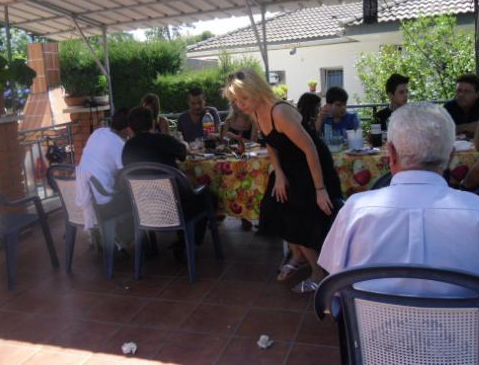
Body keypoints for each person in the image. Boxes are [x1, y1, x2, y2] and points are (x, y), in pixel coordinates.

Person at [318, 102, 479, 312]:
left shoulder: (354, 211)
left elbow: (332, 296)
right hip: (464, 344)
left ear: (391, 154)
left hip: (372, 343)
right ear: (451, 155)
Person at [224, 68, 342, 293]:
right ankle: (298, 256)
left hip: (312, 165)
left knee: (299, 218)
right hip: (289, 166)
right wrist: (278, 174)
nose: (240, 105)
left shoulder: (279, 112)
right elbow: (271, 143)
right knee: (274, 207)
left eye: (243, 98)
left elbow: (310, 149)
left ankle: (318, 274)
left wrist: (320, 189)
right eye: (235, 100)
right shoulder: (256, 110)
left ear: (256, 90)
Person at [121, 107, 209, 253]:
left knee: (182, 195)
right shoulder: (164, 140)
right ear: (153, 124)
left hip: (144, 209)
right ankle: (188, 244)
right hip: (175, 208)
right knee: (207, 196)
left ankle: (182, 242)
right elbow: (183, 154)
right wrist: (184, 144)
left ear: (130, 128)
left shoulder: (127, 148)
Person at [75, 108, 133, 247]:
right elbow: (125, 175)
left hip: (86, 197)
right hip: (103, 203)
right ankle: (126, 239)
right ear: (127, 130)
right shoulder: (120, 144)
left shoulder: (98, 132)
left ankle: (114, 236)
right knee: (136, 201)